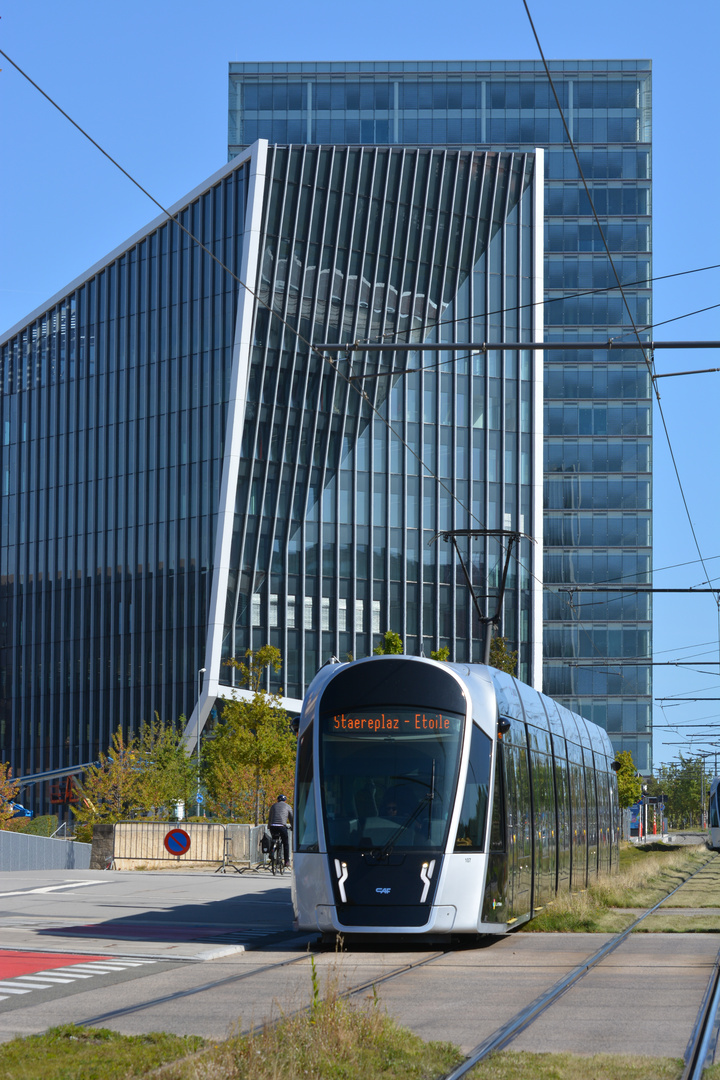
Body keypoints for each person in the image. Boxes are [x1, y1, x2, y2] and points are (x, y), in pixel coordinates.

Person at [268, 793, 293, 867]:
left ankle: (272, 850)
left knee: (273, 838)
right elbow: (291, 818)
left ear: (277, 800)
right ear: (285, 800)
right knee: (285, 843)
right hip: (282, 826)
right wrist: (293, 827)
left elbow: (270, 818)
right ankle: (286, 861)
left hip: (273, 826)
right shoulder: (288, 806)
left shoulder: (273, 806)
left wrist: (269, 827)